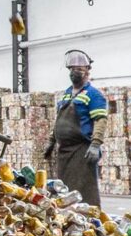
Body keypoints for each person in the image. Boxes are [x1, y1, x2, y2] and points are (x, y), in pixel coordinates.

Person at [44, 50, 108, 206]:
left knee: (84, 192)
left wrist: (95, 144)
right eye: (72, 69)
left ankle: (90, 222)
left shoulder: (93, 95)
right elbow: (59, 119)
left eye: (79, 69)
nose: (75, 73)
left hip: (82, 151)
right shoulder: (67, 94)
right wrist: (51, 141)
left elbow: (100, 120)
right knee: (64, 191)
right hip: (64, 152)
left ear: (87, 71)